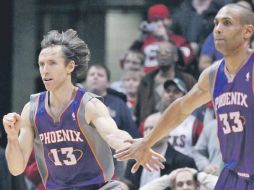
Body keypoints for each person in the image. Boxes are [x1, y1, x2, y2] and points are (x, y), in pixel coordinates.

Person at [2, 29, 164, 190]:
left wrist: (135, 147)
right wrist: (11, 137)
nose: (45, 70)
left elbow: (113, 135)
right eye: (41, 64)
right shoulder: (32, 109)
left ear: (70, 66)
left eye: (52, 63)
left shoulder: (89, 105)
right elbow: (16, 168)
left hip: (99, 186)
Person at [115, 4, 254, 190]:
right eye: (216, 23)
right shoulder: (212, 75)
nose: (218, 29)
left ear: (247, 31)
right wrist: (147, 141)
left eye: (227, 23)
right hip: (231, 175)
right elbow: (181, 109)